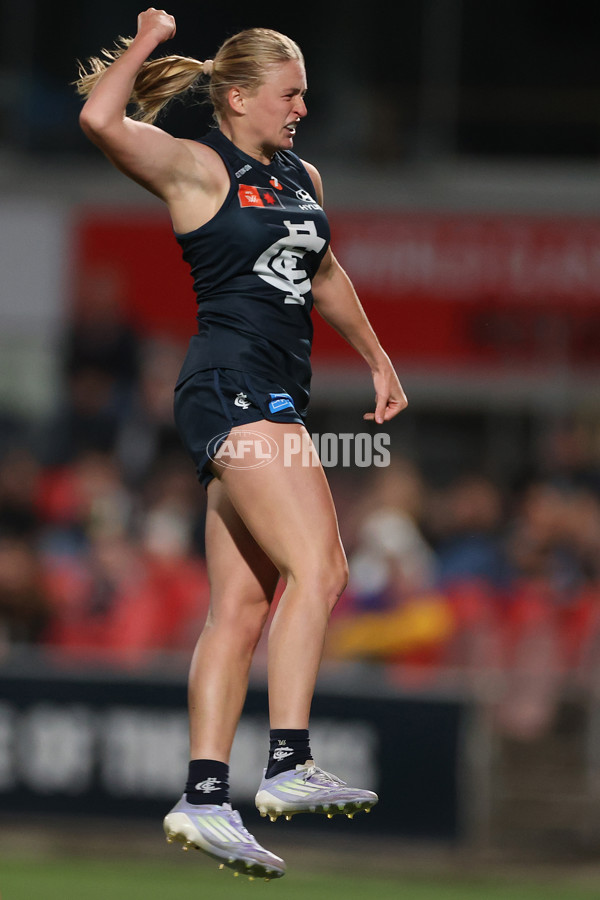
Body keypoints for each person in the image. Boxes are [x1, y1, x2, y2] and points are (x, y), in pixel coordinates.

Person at [75, 8, 407, 881]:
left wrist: (377, 357)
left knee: (243, 610)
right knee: (322, 570)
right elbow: (100, 119)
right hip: (233, 386)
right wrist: (147, 40)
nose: (302, 107)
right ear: (236, 96)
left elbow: (322, 272)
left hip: (266, 395)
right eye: (289, 93)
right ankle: (290, 761)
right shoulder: (197, 167)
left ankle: (204, 796)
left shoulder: (302, 176)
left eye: (304, 93)